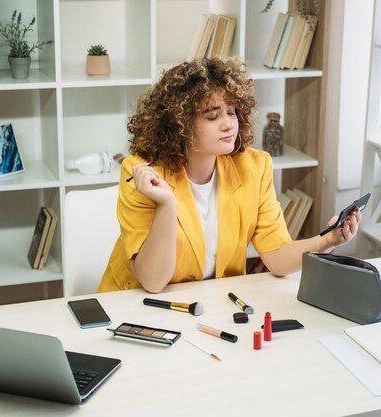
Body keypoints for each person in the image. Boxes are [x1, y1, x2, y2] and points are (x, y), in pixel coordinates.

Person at [97, 57, 361, 294]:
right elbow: (153, 281)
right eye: (212, 116)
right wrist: (166, 204)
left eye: (232, 112)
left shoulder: (254, 168)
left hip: (213, 305)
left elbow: (278, 257)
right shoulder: (142, 173)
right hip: (134, 306)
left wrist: (328, 240)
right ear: (178, 125)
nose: (229, 124)